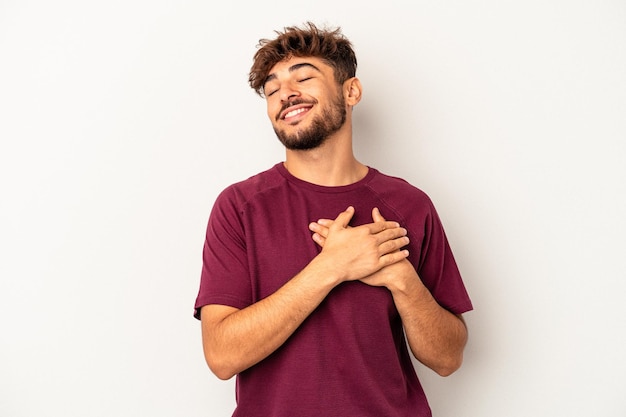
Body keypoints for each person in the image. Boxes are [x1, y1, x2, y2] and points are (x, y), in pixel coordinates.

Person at [193, 21, 473, 417]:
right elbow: (222, 355)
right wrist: (332, 266)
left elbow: (448, 358)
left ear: (351, 91)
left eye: (303, 78)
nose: (285, 94)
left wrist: (402, 278)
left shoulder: (410, 205)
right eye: (272, 90)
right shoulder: (240, 206)